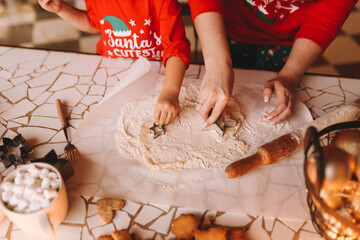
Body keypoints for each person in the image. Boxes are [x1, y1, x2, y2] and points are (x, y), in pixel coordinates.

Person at [188, 0, 357, 127]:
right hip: (223, 23)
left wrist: (290, 74)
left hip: (289, 40)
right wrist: (217, 64)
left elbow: (325, 19)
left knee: (269, 98)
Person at [38, 0, 190, 126]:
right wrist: (61, 9)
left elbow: (176, 46)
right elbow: (94, 23)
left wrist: (170, 91)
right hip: (110, 73)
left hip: (158, 76)